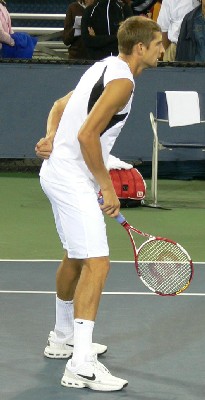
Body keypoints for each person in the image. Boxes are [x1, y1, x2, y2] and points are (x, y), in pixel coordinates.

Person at [35, 16, 163, 391]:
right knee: (98, 264)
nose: (162, 49)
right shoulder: (122, 82)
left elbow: (60, 105)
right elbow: (88, 134)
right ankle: (81, 366)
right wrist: (107, 187)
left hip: (59, 172)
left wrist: (50, 136)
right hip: (72, 178)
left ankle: (62, 338)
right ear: (141, 47)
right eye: (158, 44)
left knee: (76, 256)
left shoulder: (106, 66)